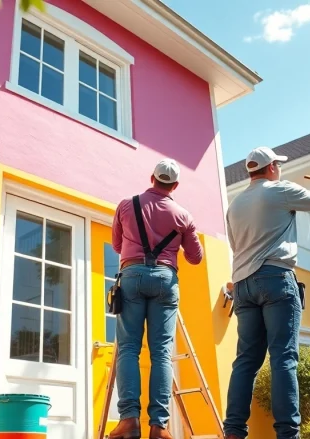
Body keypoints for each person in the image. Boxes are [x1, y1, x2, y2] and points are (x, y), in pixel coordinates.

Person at [222, 147, 310, 439]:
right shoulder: (279, 190)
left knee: (246, 361)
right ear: (272, 167)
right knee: (283, 358)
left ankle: (234, 431)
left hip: (242, 285)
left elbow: (237, 247)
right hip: (275, 278)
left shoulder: (234, 205)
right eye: (278, 164)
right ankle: (288, 434)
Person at [108, 158, 204, 439]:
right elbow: (195, 258)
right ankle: (159, 426)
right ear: (175, 185)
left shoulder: (127, 204)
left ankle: (128, 421)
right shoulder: (183, 215)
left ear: (152, 178)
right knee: (161, 353)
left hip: (132, 275)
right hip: (165, 278)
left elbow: (117, 244)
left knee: (128, 349)